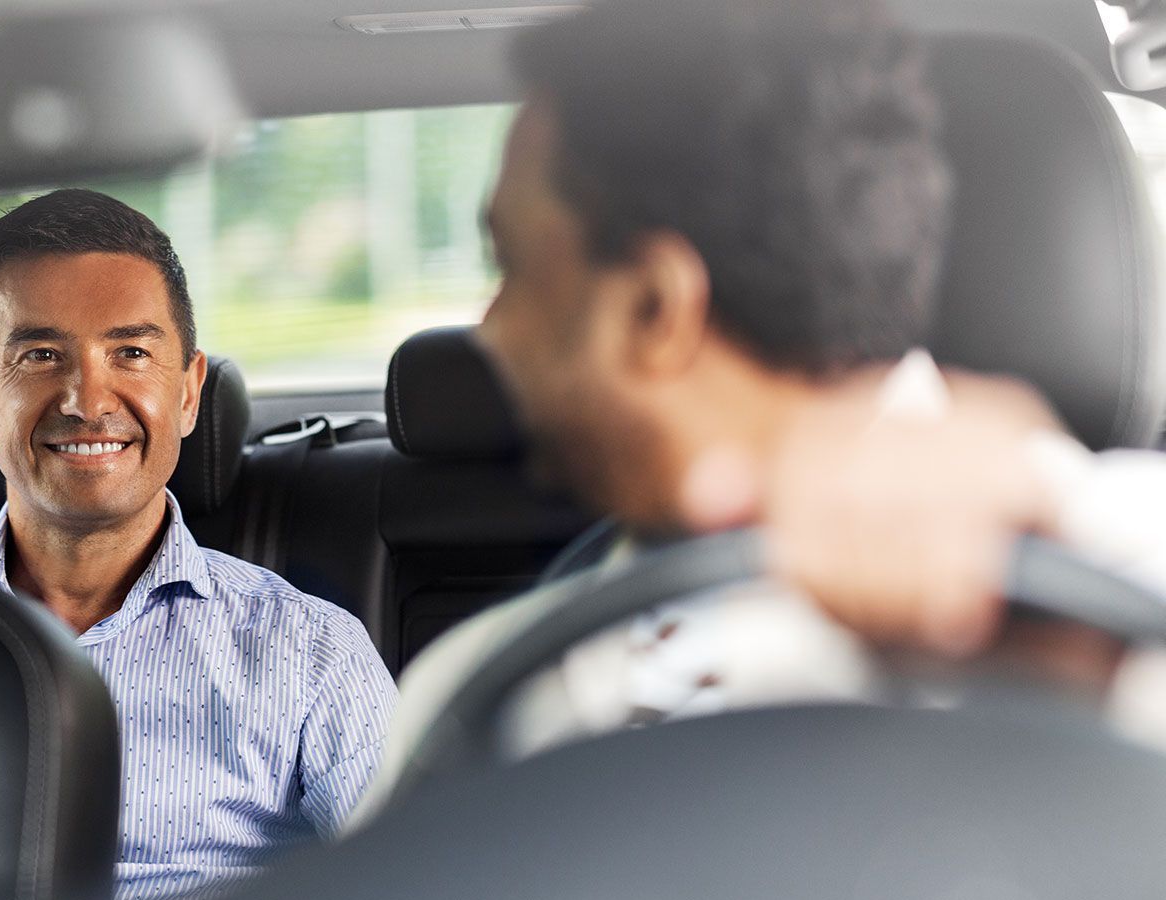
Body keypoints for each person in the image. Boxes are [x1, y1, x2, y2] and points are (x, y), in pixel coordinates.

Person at [348, 0, 1166, 828]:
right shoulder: (478, 697)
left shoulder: (1107, 586)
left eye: (516, 267)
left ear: (654, 308)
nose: (491, 331)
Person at [0, 189, 397, 900]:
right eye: (40, 354)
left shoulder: (311, 656)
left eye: (130, 352)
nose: (87, 399)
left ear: (189, 392)